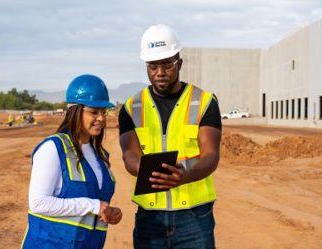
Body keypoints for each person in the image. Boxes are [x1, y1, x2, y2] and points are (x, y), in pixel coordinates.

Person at [119, 24, 222, 248]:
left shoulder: (204, 102)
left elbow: (211, 155)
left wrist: (183, 174)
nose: (160, 72)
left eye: (167, 64)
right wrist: (152, 171)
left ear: (179, 63)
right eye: (153, 66)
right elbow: (129, 156)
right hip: (150, 219)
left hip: (195, 218)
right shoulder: (131, 107)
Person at [22, 74, 122, 249]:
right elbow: (38, 203)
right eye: (94, 112)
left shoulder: (99, 155)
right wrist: (94, 206)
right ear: (74, 111)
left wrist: (110, 212)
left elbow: (95, 204)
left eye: (103, 112)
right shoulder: (53, 148)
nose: (102, 118)